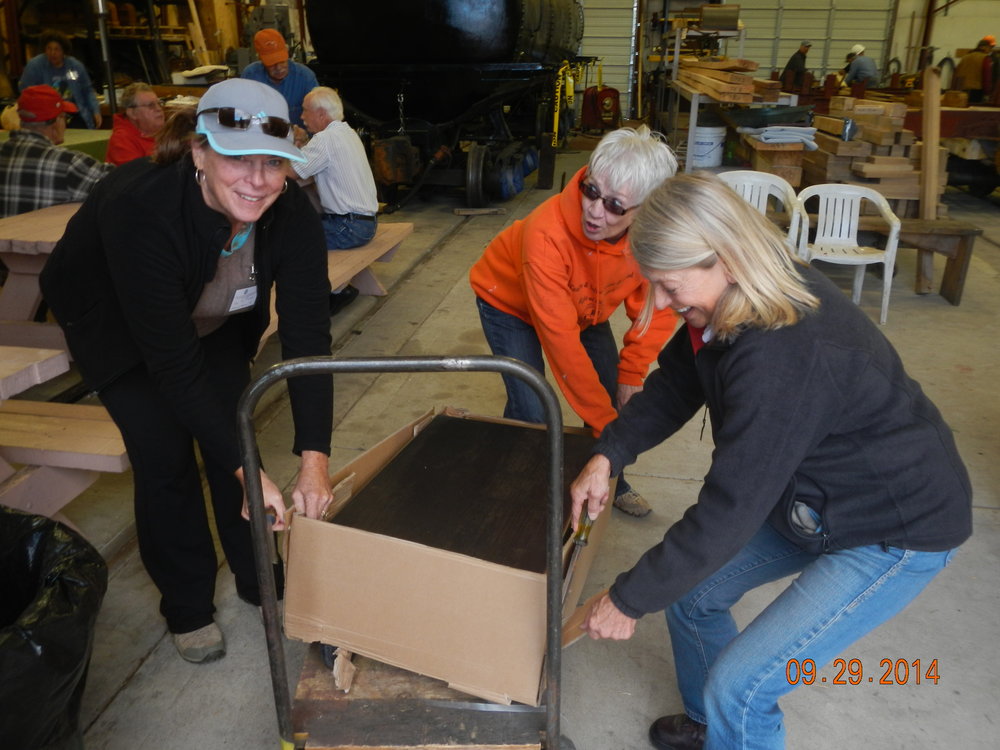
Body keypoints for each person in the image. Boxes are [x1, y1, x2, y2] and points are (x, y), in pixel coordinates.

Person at [569, 172, 972, 750]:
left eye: (669, 284)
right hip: (813, 495)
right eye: (652, 284)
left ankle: (728, 714)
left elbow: (730, 507)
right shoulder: (725, 306)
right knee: (691, 593)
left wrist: (627, 598)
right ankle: (713, 725)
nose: (660, 302)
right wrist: (609, 455)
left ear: (725, 258)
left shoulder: (783, 353)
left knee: (745, 687)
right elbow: (678, 384)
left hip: (892, 525)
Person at [39, 79, 335, 665]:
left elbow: (307, 337)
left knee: (236, 432)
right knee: (164, 450)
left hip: (218, 315)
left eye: (273, 163)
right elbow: (171, 363)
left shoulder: (292, 211)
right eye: (236, 158)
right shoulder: (141, 209)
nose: (257, 180)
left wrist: (313, 459)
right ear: (199, 152)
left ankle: (259, 580)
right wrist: (243, 467)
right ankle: (188, 605)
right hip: (119, 323)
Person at [470, 126, 680, 518]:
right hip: (509, 303)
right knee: (534, 406)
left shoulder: (650, 235)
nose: (595, 211)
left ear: (645, 209)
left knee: (607, 386)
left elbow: (655, 304)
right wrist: (609, 431)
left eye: (616, 206)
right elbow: (563, 347)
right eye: (591, 190)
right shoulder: (545, 235)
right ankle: (522, 484)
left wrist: (632, 373)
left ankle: (611, 476)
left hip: (585, 306)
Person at [292, 85, 380, 313]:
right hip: (363, 224)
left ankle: (325, 296)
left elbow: (290, 173)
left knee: (288, 240)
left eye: (304, 110)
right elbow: (306, 174)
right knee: (302, 227)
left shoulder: (325, 139)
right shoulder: (346, 133)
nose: (301, 116)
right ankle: (339, 290)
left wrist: (278, 151)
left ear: (321, 114)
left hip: (348, 227)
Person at [0, 84, 112, 218]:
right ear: (56, 123)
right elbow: (122, 185)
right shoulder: (69, 164)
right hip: (48, 238)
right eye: (64, 117)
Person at [19, 29, 102, 129]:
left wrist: (95, 111)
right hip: (45, 116)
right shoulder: (35, 66)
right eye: (49, 49)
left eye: (57, 49)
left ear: (64, 51)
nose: (52, 53)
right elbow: (25, 92)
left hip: (73, 113)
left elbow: (87, 90)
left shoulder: (74, 67)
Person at [241, 28, 318, 127]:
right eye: (272, 63)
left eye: (282, 61)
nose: (279, 68)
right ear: (261, 59)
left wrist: (305, 136)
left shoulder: (305, 77)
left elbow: (318, 117)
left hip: (299, 140)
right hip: (262, 137)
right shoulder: (250, 77)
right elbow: (243, 114)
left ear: (287, 53)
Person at [105, 82, 165, 165]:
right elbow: (137, 175)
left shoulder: (168, 132)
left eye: (159, 103)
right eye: (151, 105)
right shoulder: (122, 140)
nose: (159, 109)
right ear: (132, 113)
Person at [953, 38, 995, 104]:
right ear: (983, 47)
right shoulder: (985, 58)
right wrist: (987, 92)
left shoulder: (964, 57)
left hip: (961, 91)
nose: (990, 50)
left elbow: (956, 74)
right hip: (976, 92)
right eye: (989, 48)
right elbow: (987, 76)